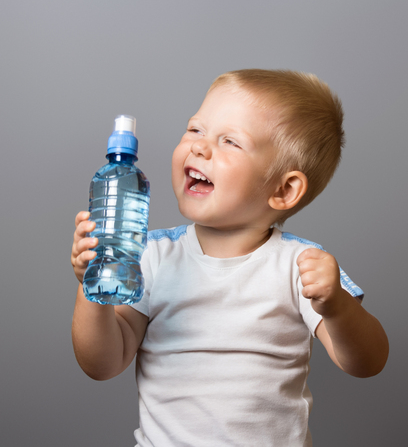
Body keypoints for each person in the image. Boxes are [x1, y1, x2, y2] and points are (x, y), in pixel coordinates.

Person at [71, 69, 389, 446]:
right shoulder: (149, 257)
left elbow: (368, 363)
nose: (200, 147)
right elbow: (102, 364)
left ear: (284, 190)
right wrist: (91, 287)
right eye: (195, 130)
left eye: (230, 142)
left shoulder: (299, 265)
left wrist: (337, 307)